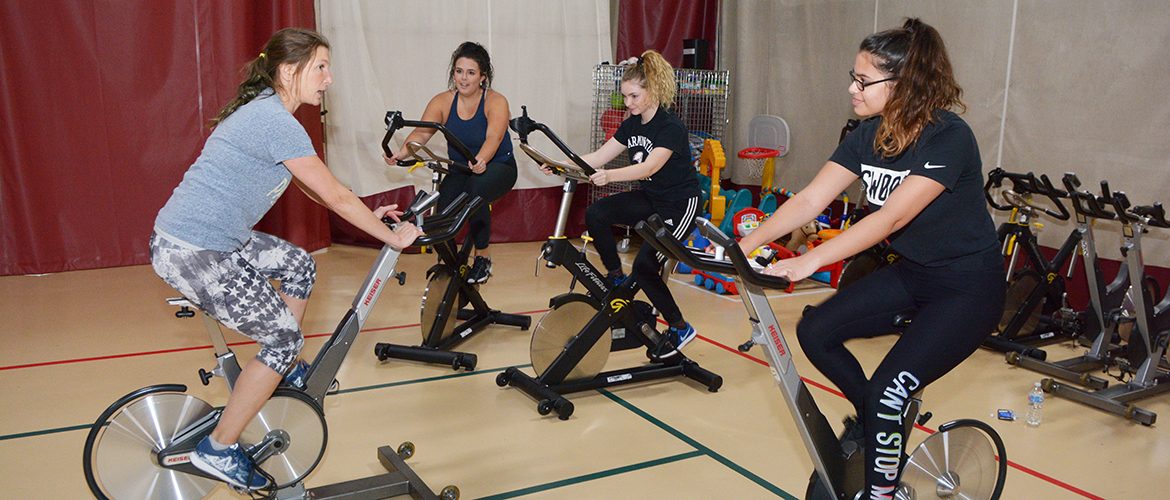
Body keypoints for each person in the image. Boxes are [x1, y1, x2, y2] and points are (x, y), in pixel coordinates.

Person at [737, 18, 1005, 497]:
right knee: (816, 331)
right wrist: (745, 245)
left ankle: (881, 487)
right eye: (853, 76)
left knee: (887, 390)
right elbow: (808, 201)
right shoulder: (869, 135)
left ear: (904, 84)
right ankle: (878, 425)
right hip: (914, 275)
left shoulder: (949, 138)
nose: (851, 88)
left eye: (863, 81)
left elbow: (890, 221)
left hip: (967, 288)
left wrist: (808, 261)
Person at [150, 28, 422, 491]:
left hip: (216, 239)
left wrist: (367, 213)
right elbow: (333, 194)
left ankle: (282, 366)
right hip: (194, 249)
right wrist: (392, 238)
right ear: (288, 71)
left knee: (299, 265)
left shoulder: (273, 115)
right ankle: (218, 448)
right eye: (321, 68)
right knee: (282, 338)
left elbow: (312, 185)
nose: (329, 79)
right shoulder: (275, 119)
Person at [543, 50, 700, 358]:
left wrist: (609, 176)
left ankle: (681, 326)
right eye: (625, 96)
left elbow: (649, 167)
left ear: (652, 91)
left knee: (644, 267)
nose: (627, 103)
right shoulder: (632, 125)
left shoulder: (670, 128)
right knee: (596, 213)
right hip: (652, 198)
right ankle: (615, 277)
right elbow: (598, 157)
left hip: (679, 206)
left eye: (633, 96)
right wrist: (559, 164)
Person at [384, 41, 517, 284]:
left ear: (482, 77)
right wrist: (401, 153)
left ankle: (483, 258)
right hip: (461, 170)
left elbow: (494, 137)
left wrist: (482, 159)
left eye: (471, 73)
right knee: (442, 207)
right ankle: (453, 265)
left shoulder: (496, 101)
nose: (463, 78)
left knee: (475, 193)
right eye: (459, 71)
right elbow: (422, 134)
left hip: (498, 167)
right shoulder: (443, 101)